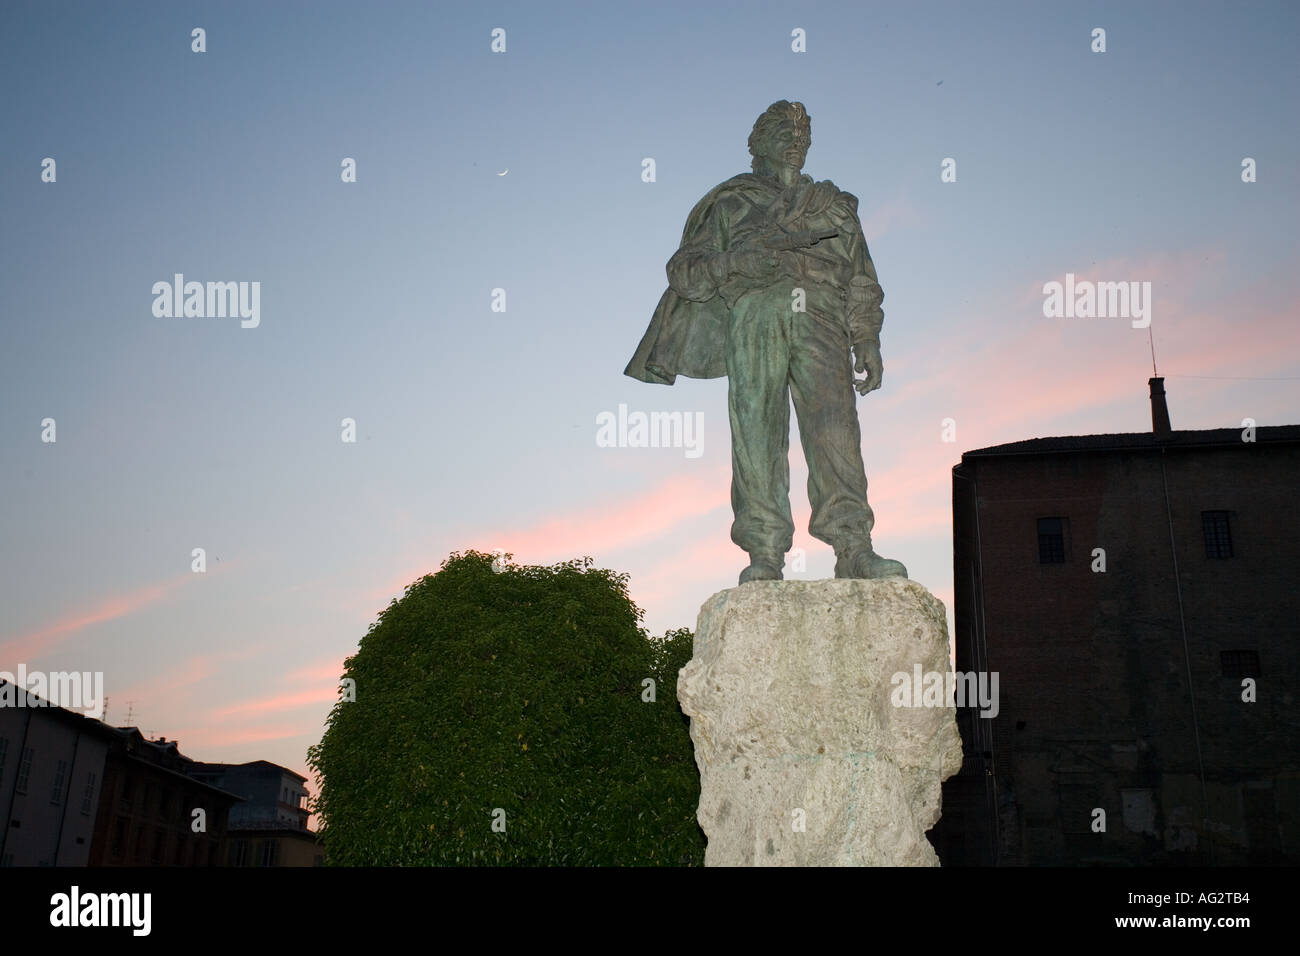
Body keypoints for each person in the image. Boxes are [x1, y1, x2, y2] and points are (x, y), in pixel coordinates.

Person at [625, 100, 907, 584]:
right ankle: (765, 550)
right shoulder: (729, 200)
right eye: (783, 129)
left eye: (803, 132)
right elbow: (685, 272)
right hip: (755, 310)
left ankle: (853, 545)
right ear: (756, 142)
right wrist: (736, 264)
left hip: (820, 311)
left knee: (835, 427)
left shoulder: (833, 203)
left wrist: (867, 336)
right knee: (757, 429)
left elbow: (861, 276)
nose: (796, 138)